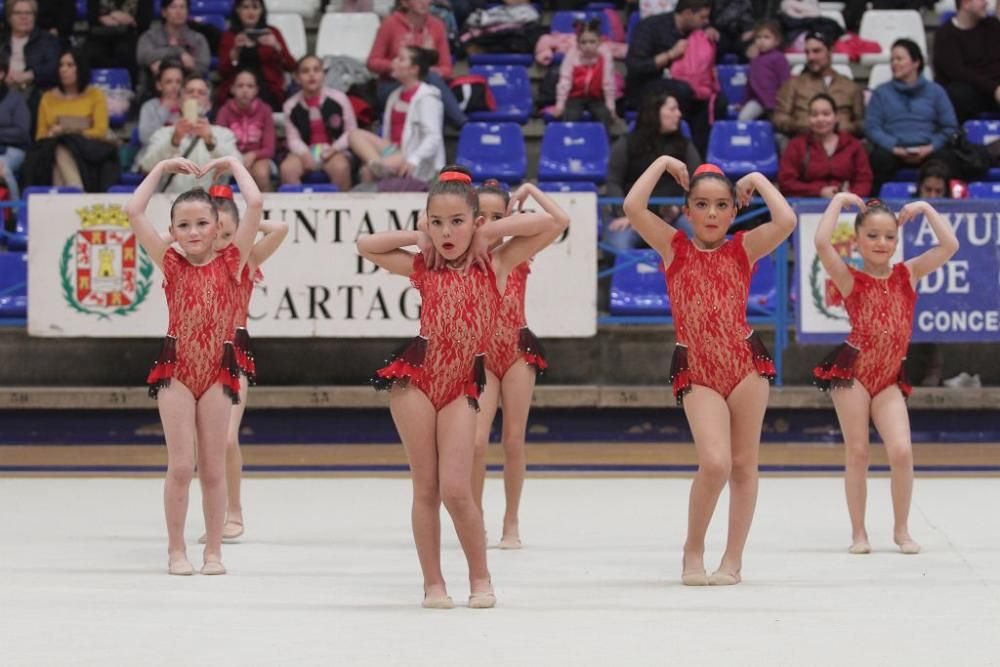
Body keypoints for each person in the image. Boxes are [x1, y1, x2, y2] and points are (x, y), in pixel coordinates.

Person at [358, 164, 564, 609]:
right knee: (426, 488)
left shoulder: (498, 262)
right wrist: (418, 237)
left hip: (459, 386)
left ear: (476, 223)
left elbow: (548, 223)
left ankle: (480, 576)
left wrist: (489, 234)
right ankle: (433, 583)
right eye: (437, 222)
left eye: (457, 222)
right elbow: (366, 245)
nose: (447, 231)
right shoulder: (424, 265)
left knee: (456, 489)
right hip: (416, 380)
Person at [623, 160, 796, 586]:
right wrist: (663, 164)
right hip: (698, 368)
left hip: (745, 366)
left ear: (734, 212)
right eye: (702, 204)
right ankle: (693, 547)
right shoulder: (673, 247)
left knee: (743, 465)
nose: (713, 214)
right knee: (715, 463)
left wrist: (755, 180)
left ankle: (733, 559)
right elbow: (632, 205)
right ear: (687, 211)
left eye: (722, 205)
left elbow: (787, 219)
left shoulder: (745, 247)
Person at [125, 155, 263, 576]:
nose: (193, 232)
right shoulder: (169, 262)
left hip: (218, 374)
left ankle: (214, 552)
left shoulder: (232, 261)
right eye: (182, 226)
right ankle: (175, 550)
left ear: (218, 225)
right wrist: (163, 167)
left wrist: (233, 163)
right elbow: (133, 210)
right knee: (182, 465)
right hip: (177, 373)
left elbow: (254, 203)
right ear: (174, 231)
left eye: (202, 223)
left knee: (214, 465)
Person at [812, 194, 959, 555]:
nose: (882, 243)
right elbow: (820, 242)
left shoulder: (907, 273)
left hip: (889, 377)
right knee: (858, 452)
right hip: (854, 375)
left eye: (889, 237)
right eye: (873, 236)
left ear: (897, 241)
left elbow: (949, 244)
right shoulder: (849, 278)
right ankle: (859, 533)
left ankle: (901, 529)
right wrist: (841, 199)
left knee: (902, 451)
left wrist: (924, 208)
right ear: (858, 240)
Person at [471, 181, 569, 550]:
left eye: (499, 216)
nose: (491, 224)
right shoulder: (466, 256)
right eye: (483, 217)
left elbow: (558, 220)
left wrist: (529, 189)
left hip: (515, 351)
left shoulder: (519, 252)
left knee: (513, 439)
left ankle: (511, 519)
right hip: (481, 356)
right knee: (477, 442)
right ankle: (474, 513)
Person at [193, 184, 288, 544]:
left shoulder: (245, 259)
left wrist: (246, 224)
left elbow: (279, 230)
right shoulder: (193, 263)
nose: (220, 241)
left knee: (227, 438)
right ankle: (214, 514)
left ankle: (235, 510)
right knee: (204, 444)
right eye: (213, 233)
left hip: (232, 352)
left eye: (228, 234)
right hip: (196, 355)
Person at [604, 91, 701, 250]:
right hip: (632, 217)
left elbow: (697, 182)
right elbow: (613, 182)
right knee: (619, 245)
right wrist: (628, 214)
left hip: (675, 215)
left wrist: (680, 208)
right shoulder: (626, 144)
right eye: (672, 109)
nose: (679, 114)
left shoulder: (685, 145)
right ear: (655, 112)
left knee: (699, 237)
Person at [624, 0, 724, 153]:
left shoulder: (698, 32)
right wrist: (670, 54)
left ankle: (701, 154)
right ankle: (672, 149)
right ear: (687, 14)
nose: (706, 22)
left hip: (688, 87)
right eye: (702, 18)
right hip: (647, 86)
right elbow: (636, 66)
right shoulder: (650, 27)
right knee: (683, 90)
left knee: (718, 100)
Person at [866, 39, 959, 194]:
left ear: (916, 62)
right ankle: (875, 208)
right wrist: (894, 147)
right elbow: (871, 127)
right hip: (893, 150)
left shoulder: (936, 91)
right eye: (892, 60)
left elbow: (949, 126)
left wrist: (931, 146)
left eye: (899, 58)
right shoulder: (881, 92)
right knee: (878, 159)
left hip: (928, 149)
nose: (894, 63)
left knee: (947, 158)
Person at [25, 47, 119, 191]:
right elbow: (40, 136)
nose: (64, 69)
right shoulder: (47, 98)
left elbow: (100, 131)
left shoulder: (95, 95)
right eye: (61, 65)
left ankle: (67, 193)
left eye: (70, 65)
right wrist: (53, 135)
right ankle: (74, 189)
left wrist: (67, 131)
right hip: (52, 150)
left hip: (87, 151)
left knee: (63, 144)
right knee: (58, 146)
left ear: (80, 68)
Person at [348, 46, 444, 184]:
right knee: (354, 135)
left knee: (366, 172)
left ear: (414, 69)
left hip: (412, 154)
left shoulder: (427, 98)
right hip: (392, 150)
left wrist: (414, 159)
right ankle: (378, 165)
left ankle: (378, 167)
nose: (394, 62)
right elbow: (387, 133)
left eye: (401, 59)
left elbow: (433, 137)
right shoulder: (394, 96)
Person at [367, 0, 466, 128]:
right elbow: (372, 62)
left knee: (427, 77)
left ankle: (453, 129)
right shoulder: (390, 24)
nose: (423, 2)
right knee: (426, 77)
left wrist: (426, 70)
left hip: (427, 84)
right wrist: (400, 66)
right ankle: (462, 123)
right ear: (405, 3)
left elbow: (447, 69)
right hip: (392, 85)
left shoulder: (437, 25)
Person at [139, 74, 241, 193]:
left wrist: (211, 141)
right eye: (190, 91)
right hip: (171, 202)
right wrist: (174, 141)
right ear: (180, 101)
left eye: (201, 93)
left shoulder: (223, 134)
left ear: (209, 104)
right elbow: (147, 167)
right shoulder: (164, 133)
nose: (195, 95)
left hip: (212, 204)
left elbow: (237, 169)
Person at [279, 55, 357, 191]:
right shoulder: (290, 105)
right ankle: (299, 210)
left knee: (341, 167)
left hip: (335, 150)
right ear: (297, 78)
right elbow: (293, 138)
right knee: (287, 169)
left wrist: (334, 149)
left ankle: (337, 210)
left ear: (324, 75)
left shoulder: (339, 99)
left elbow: (351, 131)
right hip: (304, 152)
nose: (311, 75)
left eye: (316, 70)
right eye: (305, 71)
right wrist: (304, 153)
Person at [777, 93, 873, 198]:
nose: (820, 119)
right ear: (808, 118)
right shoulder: (796, 145)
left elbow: (864, 180)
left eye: (826, 114)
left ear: (836, 117)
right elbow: (786, 182)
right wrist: (819, 191)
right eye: (814, 115)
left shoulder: (853, 145)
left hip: (848, 205)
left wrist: (851, 196)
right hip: (806, 204)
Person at [773, 31, 864, 139]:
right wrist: (806, 126)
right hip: (804, 143)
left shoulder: (850, 87)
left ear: (830, 51)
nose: (811, 57)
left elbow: (862, 122)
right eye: (807, 52)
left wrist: (842, 127)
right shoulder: (793, 85)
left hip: (842, 145)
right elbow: (779, 117)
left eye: (817, 51)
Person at [217, 0, 296, 110]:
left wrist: (277, 46)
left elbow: (291, 66)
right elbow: (222, 72)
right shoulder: (229, 36)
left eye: (255, 7)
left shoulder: (272, 32)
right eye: (246, 7)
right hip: (237, 90)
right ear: (238, 11)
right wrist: (235, 50)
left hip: (268, 89)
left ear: (261, 11)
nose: (251, 11)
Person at [933, 0, 1000, 123]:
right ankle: (961, 138)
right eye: (981, 0)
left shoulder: (993, 25)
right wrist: (994, 88)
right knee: (959, 93)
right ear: (966, 3)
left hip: (993, 90)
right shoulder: (945, 34)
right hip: (971, 94)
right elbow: (959, 73)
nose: (986, 3)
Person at [217, 68, 277, 192]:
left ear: (256, 90)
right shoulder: (224, 111)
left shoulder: (265, 110)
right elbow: (219, 143)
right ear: (232, 89)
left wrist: (253, 155)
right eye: (240, 86)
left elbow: (269, 149)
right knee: (242, 172)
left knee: (261, 173)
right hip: (232, 158)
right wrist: (238, 159)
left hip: (260, 158)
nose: (245, 90)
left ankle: (266, 209)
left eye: (250, 86)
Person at [1, 0, 60, 123]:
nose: (24, 17)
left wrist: (30, 74)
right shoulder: (2, 40)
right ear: (9, 17)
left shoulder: (48, 40)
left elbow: (55, 68)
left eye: (29, 13)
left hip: (34, 92)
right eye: (18, 13)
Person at [551, 19, 617, 130]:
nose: (588, 46)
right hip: (575, 97)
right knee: (571, 116)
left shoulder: (605, 56)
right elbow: (565, 81)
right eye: (583, 42)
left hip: (596, 97)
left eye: (592, 42)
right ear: (578, 43)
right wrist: (560, 105)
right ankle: (570, 143)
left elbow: (608, 83)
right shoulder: (572, 55)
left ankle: (603, 145)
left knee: (603, 115)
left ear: (599, 42)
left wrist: (611, 108)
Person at [136, 0, 211, 92]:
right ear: (164, 12)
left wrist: (163, 66)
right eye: (173, 7)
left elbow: (202, 67)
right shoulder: (149, 36)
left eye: (182, 7)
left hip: (188, 91)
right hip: (154, 90)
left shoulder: (198, 39)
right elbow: (143, 57)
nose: (178, 11)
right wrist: (178, 52)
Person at [84, 1, 152, 83]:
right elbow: (91, 19)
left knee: (126, 51)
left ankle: (130, 90)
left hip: (130, 34)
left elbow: (144, 23)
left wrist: (130, 20)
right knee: (90, 52)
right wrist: (107, 18)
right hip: (100, 34)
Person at [739, 20, 791, 121]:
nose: (761, 41)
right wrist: (744, 103)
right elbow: (750, 84)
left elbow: (785, 82)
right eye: (758, 37)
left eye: (767, 37)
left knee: (779, 127)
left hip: (775, 101)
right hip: (758, 100)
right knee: (743, 118)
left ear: (776, 41)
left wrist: (784, 103)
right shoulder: (755, 58)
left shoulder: (779, 58)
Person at [135, 59, 183, 163]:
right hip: (153, 161)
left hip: (181, 159)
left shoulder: (187, 106)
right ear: (159, 85)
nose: (174, 86)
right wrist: (164, 109)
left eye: (178, 81)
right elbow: (145, 138)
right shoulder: (149, 107)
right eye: (169, 82)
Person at [0, 52, 32, 201]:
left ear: (1, 73)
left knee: (1, 167)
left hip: (12, 150)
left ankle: (14, 214)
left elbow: (21, 132)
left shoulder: (15, 98)